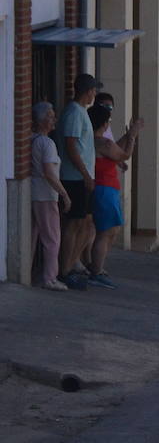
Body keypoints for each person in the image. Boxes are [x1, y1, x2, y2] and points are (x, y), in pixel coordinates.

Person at [82, 104, 140, 289]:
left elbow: (116, 148)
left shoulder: (96, 141)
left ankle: (97, 267)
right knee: (105, 231)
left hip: (107, 188)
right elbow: (124, 154)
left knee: (111, 230)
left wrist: (128, 135)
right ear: (104, 123)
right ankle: (96, 271)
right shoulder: (102, 143)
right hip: (105, 188)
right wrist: (132, 136)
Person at [57, 73, 100, 290]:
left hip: (81, 177)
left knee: (84, 223)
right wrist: (86, 175)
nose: (95, 94)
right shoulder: (74, 112)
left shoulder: (81, 111)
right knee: (73, 223)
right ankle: (64, 269)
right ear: (87, 91)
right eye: (93, 90)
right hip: (73, 178)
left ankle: (71, 263)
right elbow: (72, 147)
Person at [31, 103, 71, 291]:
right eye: (51, 116)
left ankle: (33, 272)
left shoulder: (33, 140)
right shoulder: (47, 143)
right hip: (46, 195)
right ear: (42, 121)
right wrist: (64, 193)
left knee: (36, 235)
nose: (54, 120)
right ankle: (50, 278)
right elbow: (49, 172)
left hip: (37, 193)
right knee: (52, 238)